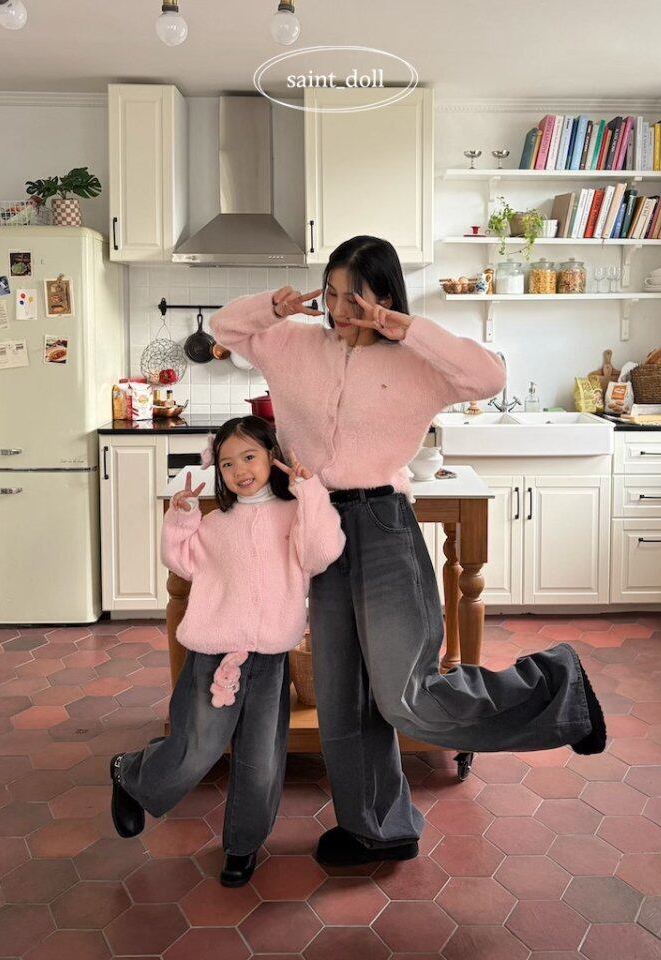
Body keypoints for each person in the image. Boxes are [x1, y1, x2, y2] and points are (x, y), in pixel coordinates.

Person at [210, 235, 606, 868]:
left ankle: (556, 685)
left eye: (355, 297)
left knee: (406, 694)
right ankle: (376, 829)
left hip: (384, 526)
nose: (339, 310)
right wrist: (275, 308)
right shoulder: (293, 345)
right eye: (331, 294)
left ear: (386, 297)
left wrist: (407, 328)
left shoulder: (418, 364)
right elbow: (225, 328)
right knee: (342, 696)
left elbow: (489, 375)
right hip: (317, 528)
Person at [109, 416, 346, 887]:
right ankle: (130, 775)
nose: (240, 470)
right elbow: (181, 560)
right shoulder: (215, 524)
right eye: (227, 463)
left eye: (249, 457)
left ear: (272, 457)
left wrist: (311, 493)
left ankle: (242, 845)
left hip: (271, 659)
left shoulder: (295, 517)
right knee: (196, 749)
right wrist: (181, 518)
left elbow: (322, 553)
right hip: (214, 656)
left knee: (262, 761)